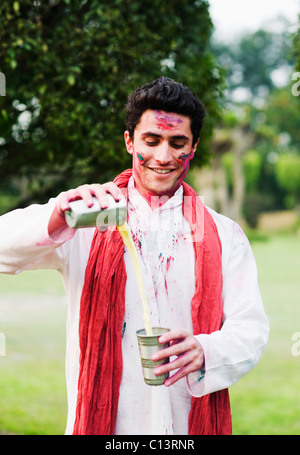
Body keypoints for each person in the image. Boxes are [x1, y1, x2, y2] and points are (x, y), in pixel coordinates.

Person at [0, 77, 269, 435]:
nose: (163, 156)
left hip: (187, 426)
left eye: (178, 143)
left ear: (194, 147)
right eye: (151, 140)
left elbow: (250, 329)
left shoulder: (224, 234)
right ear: (129, 141)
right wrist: (56, 215)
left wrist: (206, 350)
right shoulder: (88, 217)